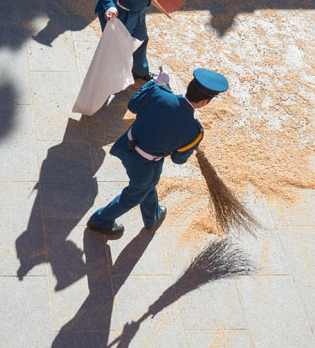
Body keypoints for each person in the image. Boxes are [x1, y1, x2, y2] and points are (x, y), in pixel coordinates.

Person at [86, 68, 229, 236]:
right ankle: (101, 220)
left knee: (146, 186)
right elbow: (178, 159)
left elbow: (132, 105)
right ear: (205, 102)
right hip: (145, 164)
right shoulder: (195, 131)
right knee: (134, 195)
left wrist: (154, 82)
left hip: (126, 145)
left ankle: (152, 216)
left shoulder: (158, 92)